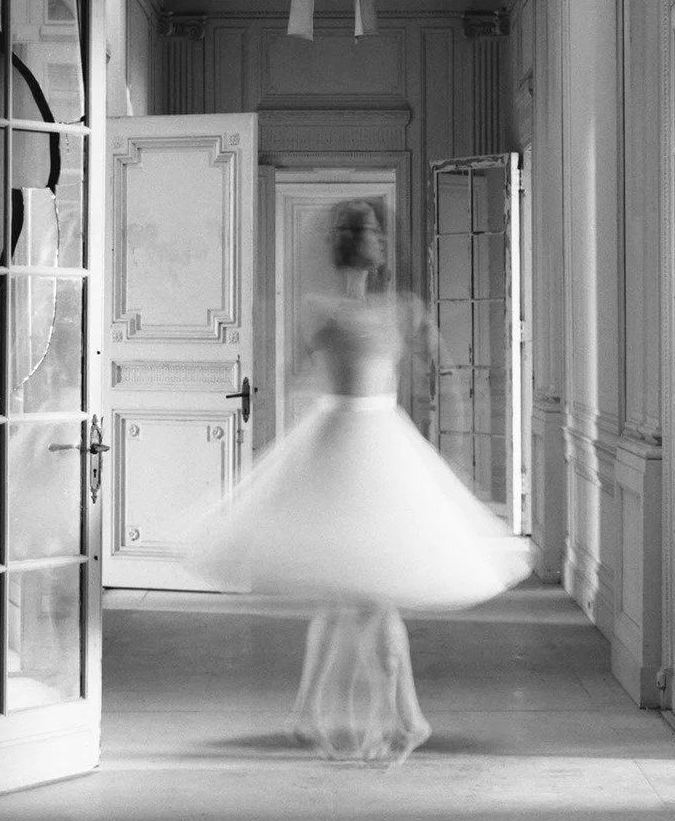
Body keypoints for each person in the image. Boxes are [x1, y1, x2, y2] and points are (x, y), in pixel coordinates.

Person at [194, 199, 529, 762]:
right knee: (344, 595)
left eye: (368, 228)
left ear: (381, 244)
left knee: (366, 596)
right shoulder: (316, 309)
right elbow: (293, 374)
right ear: (337, 243)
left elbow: (447, 377)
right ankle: (352, 716)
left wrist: (459, 449)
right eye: (349, 228)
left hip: (384, 450)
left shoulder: (404, 309)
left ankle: (385, 718)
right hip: (335, 444)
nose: (359, 236)